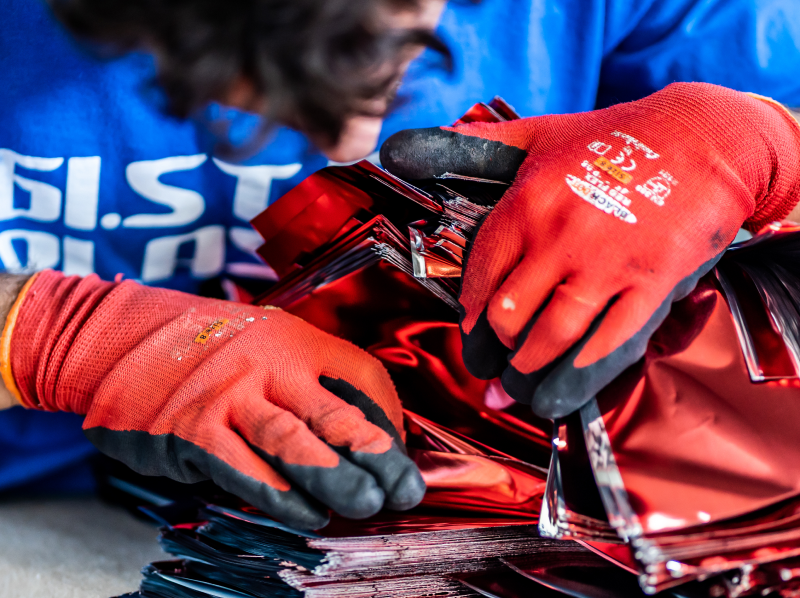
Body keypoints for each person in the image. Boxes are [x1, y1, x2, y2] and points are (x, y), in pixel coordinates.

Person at [1, 0, 799, 528]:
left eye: (390, 57)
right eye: (239, 85)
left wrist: (753, 141)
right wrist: (51, 336)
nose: (351, 144)